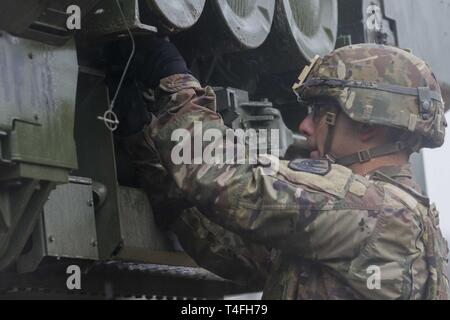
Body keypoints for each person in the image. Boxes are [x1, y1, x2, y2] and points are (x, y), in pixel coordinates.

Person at [119, 39, 449, 299]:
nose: (305, 126)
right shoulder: (399, 220)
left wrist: (174, 81)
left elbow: (228, 178)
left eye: (319, 112)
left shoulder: (372, 211)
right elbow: (239, 255)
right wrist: (146, 146)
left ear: (366, 126)